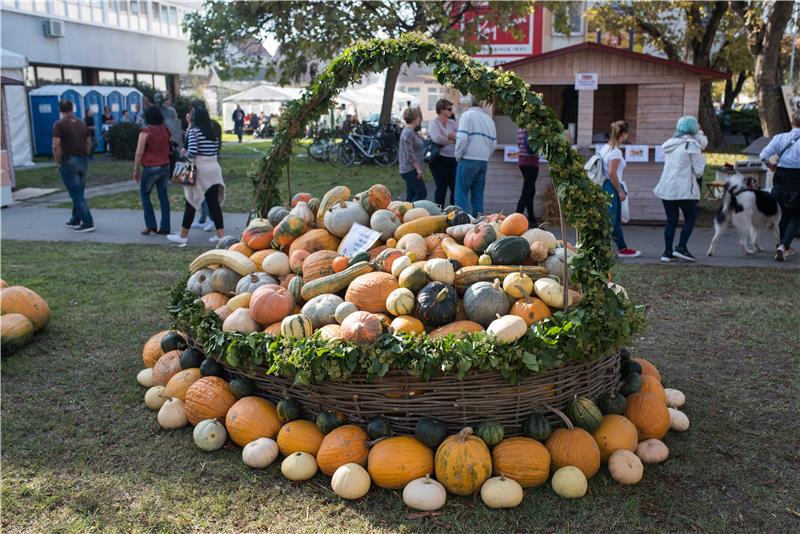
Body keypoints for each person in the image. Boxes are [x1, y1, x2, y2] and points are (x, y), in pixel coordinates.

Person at [167, 106, 228, 245]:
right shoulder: (212, 132)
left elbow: (192, 151)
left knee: (191, 201)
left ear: (195, 118)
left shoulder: (195, 131)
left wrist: (184, 154)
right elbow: (215, 150)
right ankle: (220, 235)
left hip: (201, 169)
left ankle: (183, 236)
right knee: (213, 204)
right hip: (214, 168)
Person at [653, 116, 708, 262]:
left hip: (667, 187)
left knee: (671, 220)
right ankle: (681, 247)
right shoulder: (692, 145)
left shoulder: (670, 144)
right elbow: (698, 172)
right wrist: (703, 160)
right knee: (690, 219)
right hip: (685, 189)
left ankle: (667, 252)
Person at [760, 110, 800, 261]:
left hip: (781, 177)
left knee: (783, 213)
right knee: (796, 216)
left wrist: (770, 165)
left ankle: (781, 245)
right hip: (797, 179)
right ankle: (784, 246)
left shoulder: (780, 138)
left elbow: (763, 155)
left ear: (792, 122)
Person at [599, 120, 640, 258]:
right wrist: (620, 191)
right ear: (623, 134)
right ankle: (609, 248)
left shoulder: (605, 148)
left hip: (606, 185)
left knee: (612, 220)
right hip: (613, 186)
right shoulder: (616, 152)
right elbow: (612, 173)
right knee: (612, 220)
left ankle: (621, 247)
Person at [52, 100, 94, 232]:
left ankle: (88, 222)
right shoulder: (82, 123)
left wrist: (58, 161)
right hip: (82, 160)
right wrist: (85, 154)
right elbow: (88, 142)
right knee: (79, 191)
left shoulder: (59, 124)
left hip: (69, 160)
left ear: (60, 110)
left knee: (75, 193)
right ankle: (75, 219)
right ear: (72, 108)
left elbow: (56, 145)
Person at [454, 95, 496, 217]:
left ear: (470, 103)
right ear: (482, 104)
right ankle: (479, 224)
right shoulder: (489, 120)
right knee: (478, 197)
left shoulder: (467, 116)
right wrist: (485, 156)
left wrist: (458, 155)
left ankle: (462, 224)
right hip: (482, 161)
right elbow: (494, 143)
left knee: (461, 195)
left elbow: (462, 139)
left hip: (467, 159)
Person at [132, 106, 171, 236]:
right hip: (165, 166)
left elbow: (139, 152)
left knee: (145, 194)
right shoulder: (165, 130)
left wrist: (136, 169)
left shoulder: (145, 132)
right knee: (163, 196)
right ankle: (165, 226)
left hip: (151, 167)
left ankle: (150, 224)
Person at [427, 99, 458, 207]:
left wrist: (449, 136)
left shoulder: (452, 123)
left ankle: (455, 213)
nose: (451, 111)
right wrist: (451, 138)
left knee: (455, 188)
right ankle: (438, 213)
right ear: (441, 110)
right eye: (449, 109)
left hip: (453, 159)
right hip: (439, 160)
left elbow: (460, 136)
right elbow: (437, 138)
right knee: (441, 187)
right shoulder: (433, 123)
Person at [398, 107, 427, 202]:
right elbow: (409, 154)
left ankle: (404, 213)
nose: (420, 119)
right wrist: (418, 169)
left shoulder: (411, 132)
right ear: (414, 118)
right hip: (410, 169)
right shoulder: (408, 133)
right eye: (419, 117)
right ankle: (410, 212)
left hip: (410, 169)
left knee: (411, 195)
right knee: (421, 193)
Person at [516, 128, 540, 228]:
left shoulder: (521, 127)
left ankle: (531, 219)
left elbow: (519, 144)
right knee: (527, 192)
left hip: (522, 161)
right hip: (531, 162)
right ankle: (516, 217)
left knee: (530, 191)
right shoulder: (535, 127)